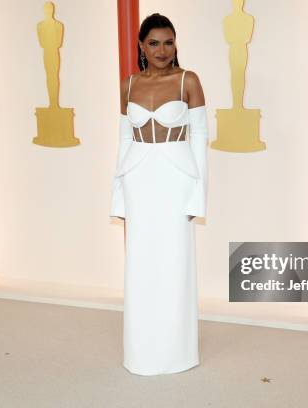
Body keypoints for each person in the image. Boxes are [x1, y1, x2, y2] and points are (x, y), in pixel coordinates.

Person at [110, 13, 208, 376]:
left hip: (176, 178)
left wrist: (199, 197)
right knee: (140, 263)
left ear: (176, 44)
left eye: (169, 42)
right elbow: (123, 141)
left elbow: (199, 139)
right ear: (141, 46)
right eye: (154, 43)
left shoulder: (188, 80)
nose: (162, 50)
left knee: (176, 262)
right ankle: (141, 352)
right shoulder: (128, 85)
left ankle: (177, 352)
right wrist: (117, 198)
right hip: (138, 178)